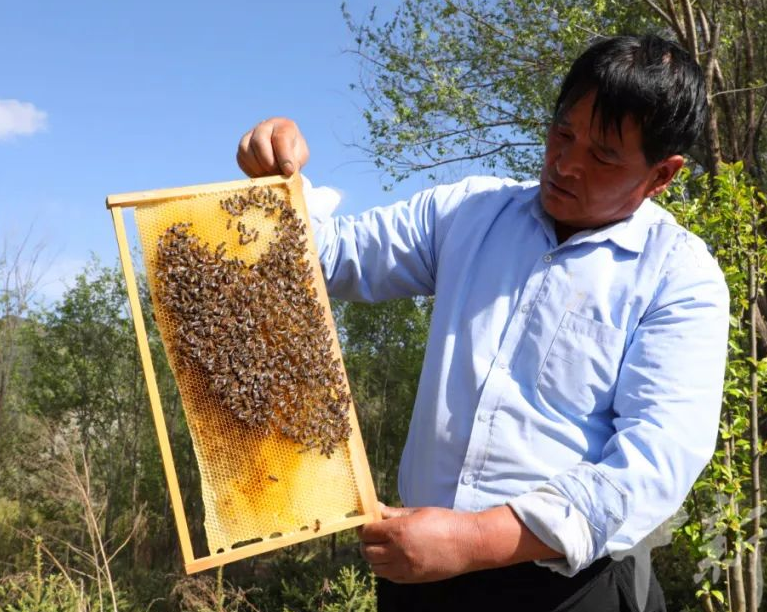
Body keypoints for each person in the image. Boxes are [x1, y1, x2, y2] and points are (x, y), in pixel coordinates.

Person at [236, 35, 729, 611]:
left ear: (661, 175)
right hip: (418, 577)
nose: (566, 164)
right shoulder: (470, 212)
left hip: (569, 590)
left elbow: (649, 466)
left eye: (603, 156)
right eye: (562, 134)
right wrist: (279, 181)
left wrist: (473, 540)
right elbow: (330, 254)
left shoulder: (680, 276)